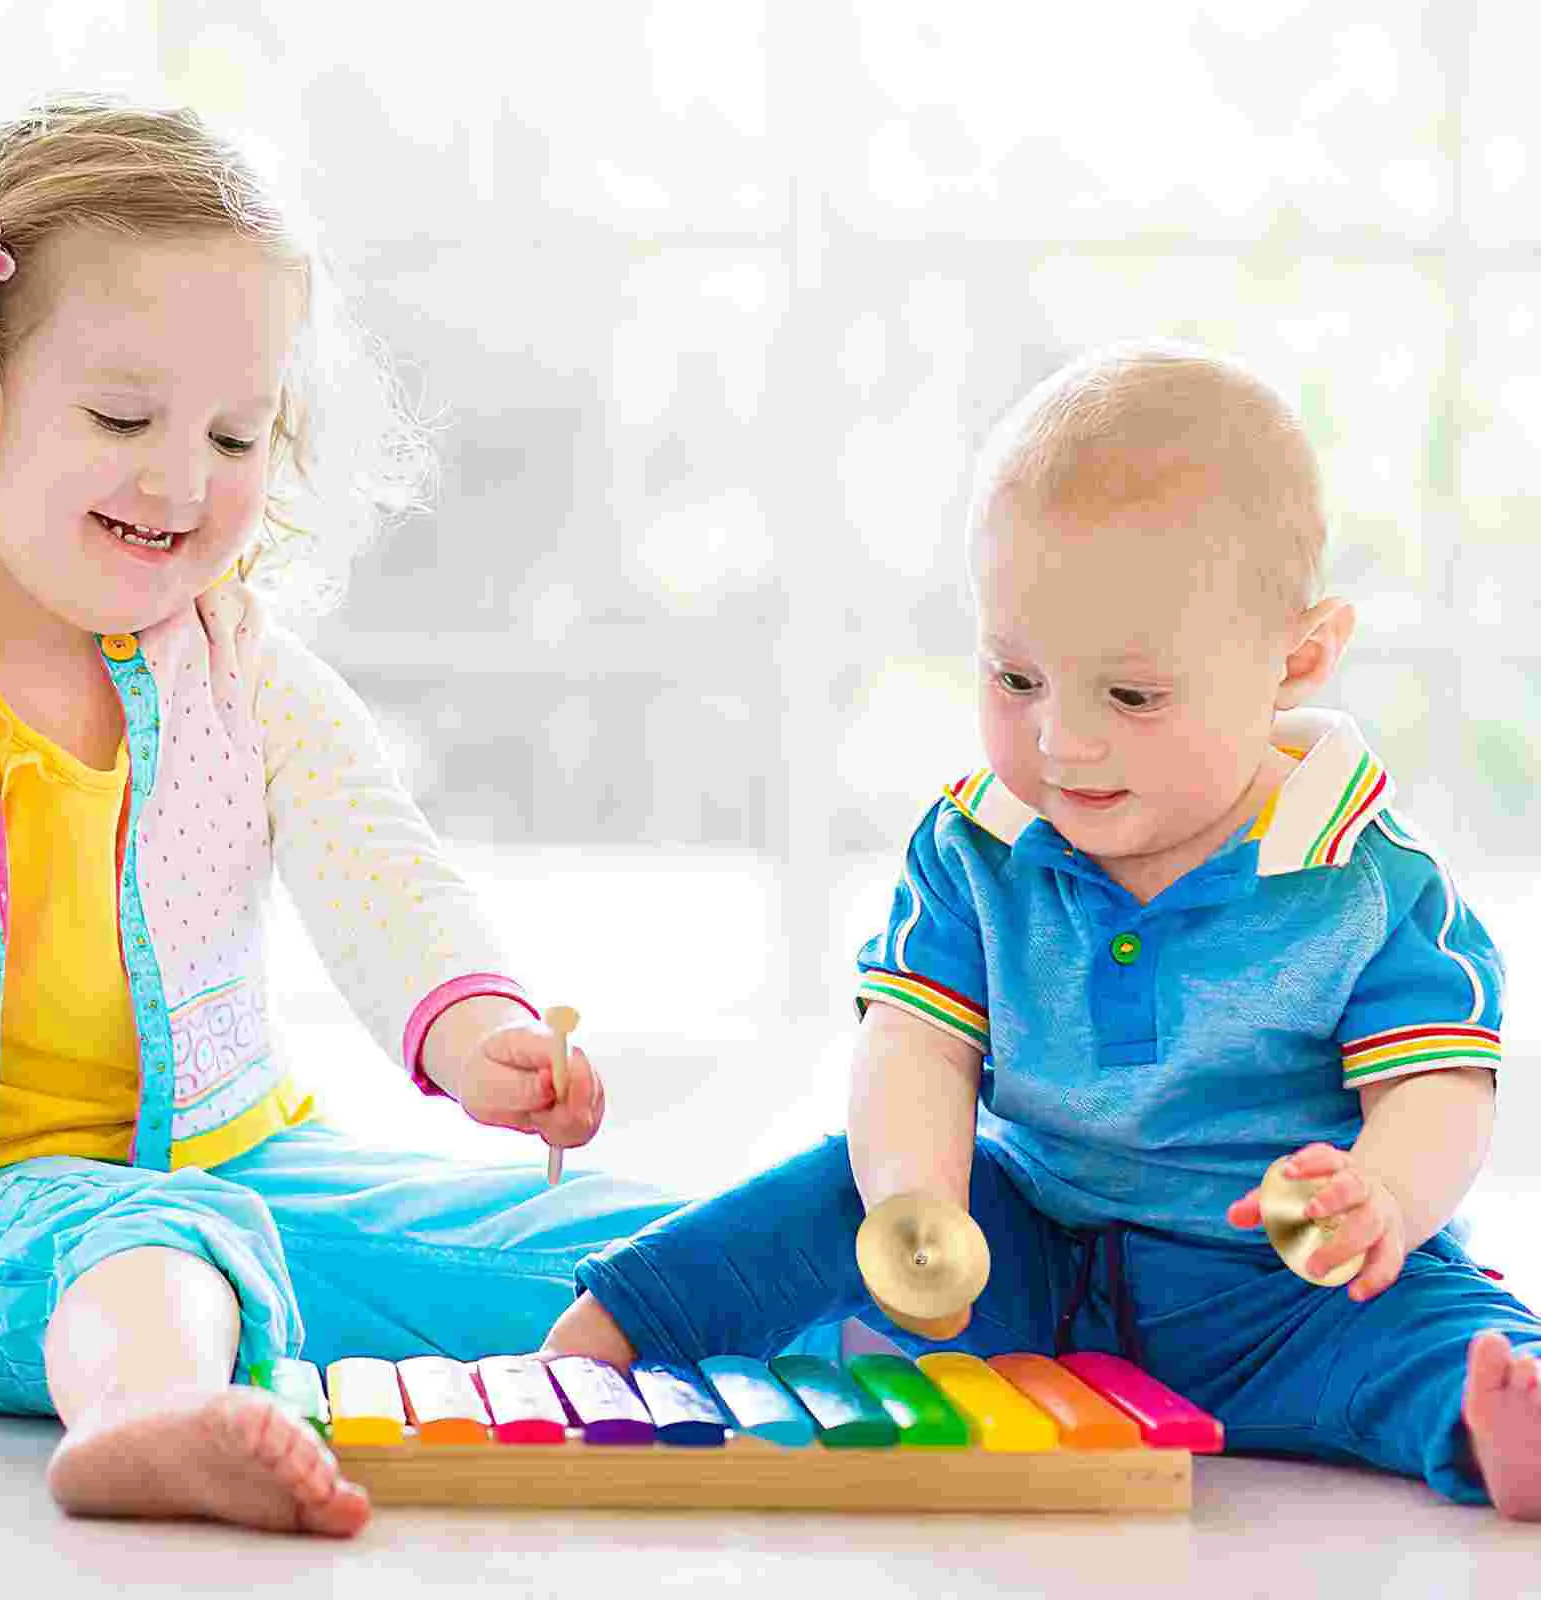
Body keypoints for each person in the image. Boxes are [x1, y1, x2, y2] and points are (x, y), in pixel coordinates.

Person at [543, 341, 1541, 1518]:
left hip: (1284, 1292)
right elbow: (914, 1046)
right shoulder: (979, 846)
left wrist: (1380, 1191)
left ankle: (1494, 1431)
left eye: (1130, 695)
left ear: (1297, 658)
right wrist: (920, 1199)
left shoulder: (1369, 883)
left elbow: (1442, 1089)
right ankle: (608, 1333)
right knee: (831, 1191)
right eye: (1015, 678)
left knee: (1436, 1325)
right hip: (1036, 1251)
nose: (1063, 741)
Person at [0, 93, 674, 1537]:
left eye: (235, 433)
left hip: (247, 1167)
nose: (180, 480)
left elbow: (377, 868)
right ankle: (152, 1417)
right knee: (151, 1242)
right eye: (119, 417)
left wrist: (482, 1040)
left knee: (663, 1257)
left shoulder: (241, 671)